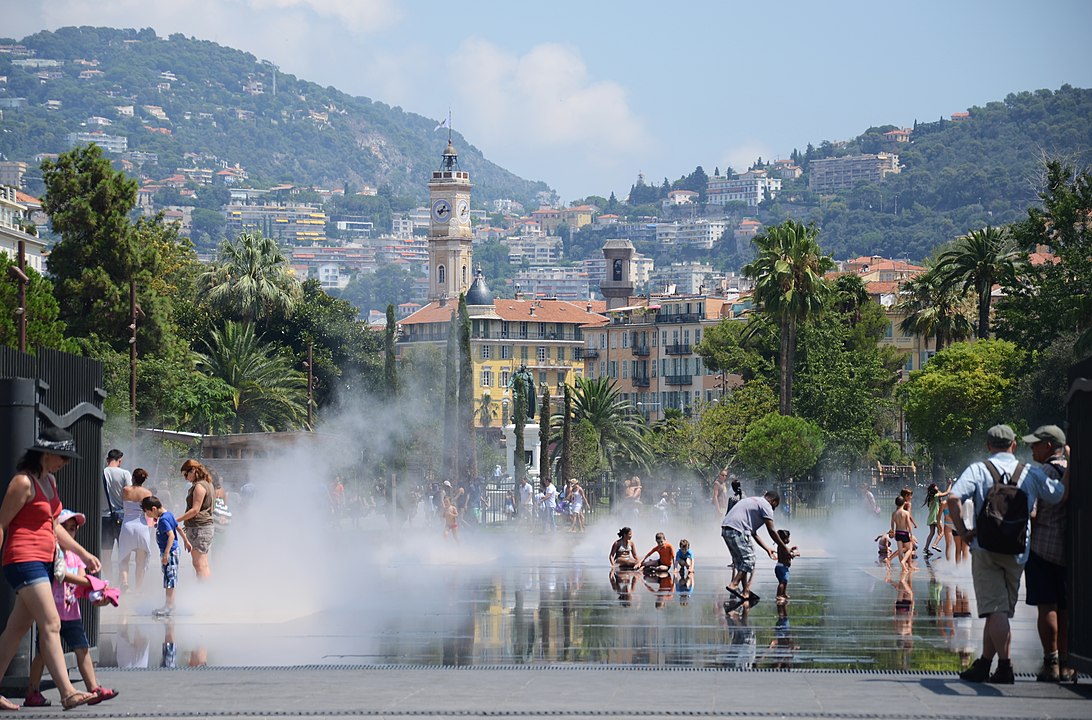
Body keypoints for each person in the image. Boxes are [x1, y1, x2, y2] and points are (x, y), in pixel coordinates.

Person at [947, 424, 1065, 685]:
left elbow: (953, 499)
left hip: (985, 549)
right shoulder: (1029, 472)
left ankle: (1005, 667)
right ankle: (985, 664)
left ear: (989, 445)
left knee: (995, 609)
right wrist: (1073, 466)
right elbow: (1057, 496)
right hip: (1017, 551)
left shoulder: (979, 469)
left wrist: (964, 531)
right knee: (999, 610)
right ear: (1013, 445)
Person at [0, 426, 99, 710]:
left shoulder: (50, 482)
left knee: (15, 630)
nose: (65, 463)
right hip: (23, 559)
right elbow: (2, 523)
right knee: (52, 622)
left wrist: (83, 553)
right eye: (62, 457)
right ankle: (68, 692)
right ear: (45, 453)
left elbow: (55, 526)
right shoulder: (23, 482)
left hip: (42, 562)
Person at [22, 509, 118, 708]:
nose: (69, 533)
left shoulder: (76, 557)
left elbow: (82, 587)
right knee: (41, 654)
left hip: (71, 612)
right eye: (64, 528)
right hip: (50, 612)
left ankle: (94, 688)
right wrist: (92, 583)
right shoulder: (51, 554)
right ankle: (32, 691)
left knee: (82, 649)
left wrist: (98, 595)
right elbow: (62, 575)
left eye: (72, 529)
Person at [1020, 424, 1074, 683]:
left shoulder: (1041, 472)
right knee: (1066, 607)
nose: (1031, 449)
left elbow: (1031, 512)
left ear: (1049, 446)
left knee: (1047, 607)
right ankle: (1068, 663)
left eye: (1035, 444)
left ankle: (1050, 662)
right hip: (1072, 551)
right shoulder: (1075, 471)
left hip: (1043, 548)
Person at [721, 490, 792, 607]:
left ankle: (745, 592)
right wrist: (784, 548)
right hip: (737, 530)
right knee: (749, 559)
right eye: (776, 506)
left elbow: (754, 533)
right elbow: (772, 531)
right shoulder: (766, 505)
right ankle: (734, 584)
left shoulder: (755, 501)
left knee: (741, 562)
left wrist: (767, 548)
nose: (774, 509)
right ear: (774, 502)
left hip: (727, 529)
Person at [142, 495, 182, 618]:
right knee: (169, 578)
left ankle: (169, 606)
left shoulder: (164, 520)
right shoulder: (168, 514)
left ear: (153, 509)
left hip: (169, 552)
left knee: (169, 579)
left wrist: (165, 554)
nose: (148, 516)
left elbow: (171, 536)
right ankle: (169, 605)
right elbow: (178, 527)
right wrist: (186, 541)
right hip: (172, 551)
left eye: (148, 513)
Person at [175, 459, 215, 579]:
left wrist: (176, 519)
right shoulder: (208, 484)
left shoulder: (199, 486)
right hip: (203, 528)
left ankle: (204, 592)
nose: (186, 478)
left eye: (186, 474)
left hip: (199, 528)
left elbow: (195, 510)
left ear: (193, 470)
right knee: (202, 564)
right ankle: (206, 592)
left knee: (199, 565)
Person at [117, 467, 155, 591]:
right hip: (142, 527)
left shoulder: (126, 490)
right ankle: (138, 589)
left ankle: (124, 582)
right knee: (140, 562)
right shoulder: (147, 493)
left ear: (133, 478)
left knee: (124, 557)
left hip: (127, 525)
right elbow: (149, 511)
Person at [100, 447, 131, 578]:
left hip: (104, 517)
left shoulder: (101, 473)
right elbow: (129, 493)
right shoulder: (125, 474)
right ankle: (122, 580)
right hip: (121, 516)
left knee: (106, 553)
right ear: (120, 461)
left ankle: (109, 579)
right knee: (123, 551)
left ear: (107, 460)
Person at [922, 481, 952, 557]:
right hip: (936, 517)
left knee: (932, 533)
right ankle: (935, 544)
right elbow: (947, 492)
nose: (937, 487)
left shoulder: (931, 497)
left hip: (930, 517)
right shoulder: (936, 495)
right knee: (941, 532)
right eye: (936, 486)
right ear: (933, 488)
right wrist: (950, 484)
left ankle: (926, 548)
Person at [774, 529, 799, 603]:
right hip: (782, 568)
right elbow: (789, 555)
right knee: (782, 582)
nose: (788, 540)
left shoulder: (782, 546)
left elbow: (787, 551)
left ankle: (783, 593)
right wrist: (795, 554)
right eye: (787, 538)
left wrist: (791, 549)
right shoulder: (782, 547)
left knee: (785, 581)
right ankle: (779, 595)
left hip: (782, 567)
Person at [891, 497, 917, 569]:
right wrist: (911, 534)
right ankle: (904, 561)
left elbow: (892, 524)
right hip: (904, 532)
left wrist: (893, 531)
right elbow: (909, 524)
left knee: (900, 551)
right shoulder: (906, 513)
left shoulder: (894, 513)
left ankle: (904, 567)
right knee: (909, 549)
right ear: (903, 503)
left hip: (897, 532)